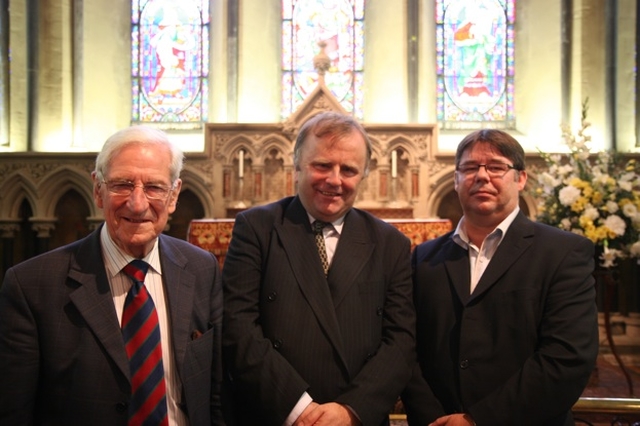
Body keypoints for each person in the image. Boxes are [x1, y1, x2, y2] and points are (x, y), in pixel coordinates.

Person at [0, 125, 224, 425]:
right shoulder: (30, 285)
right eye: (122, 184)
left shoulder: (201, 268)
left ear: (173, 196)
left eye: (155, 187)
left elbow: (218, 389)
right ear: (97, 190)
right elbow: (14, 411)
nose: (137, 203)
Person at [222, 111, 416, 426]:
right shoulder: (257, 228)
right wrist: (299, 409)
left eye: (349, 169)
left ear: (363, 174)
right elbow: (238, 325)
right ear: (297, 166)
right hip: (275, 412)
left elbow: (401, 342)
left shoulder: (389, 243)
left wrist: (351, 410)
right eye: (322, 165)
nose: (334, 180)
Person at [401, 129, 599, 425]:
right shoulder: (425, 258)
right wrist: (433, 417)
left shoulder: (563, 253)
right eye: (469, 168)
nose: (482, 176)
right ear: (455, 180)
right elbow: (407, 347)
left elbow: (567, 357)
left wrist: (477, 420)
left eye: (496, 167)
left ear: (520, 178)